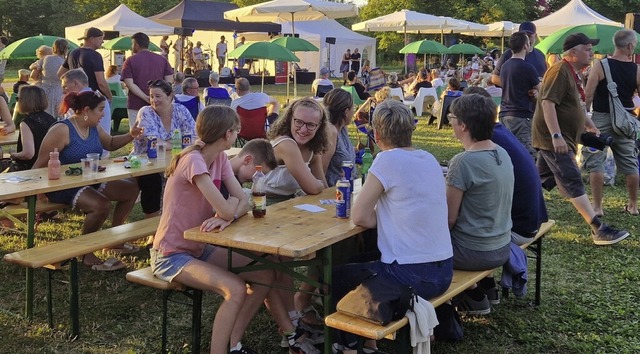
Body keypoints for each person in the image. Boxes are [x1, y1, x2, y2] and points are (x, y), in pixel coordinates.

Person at [332, 100, 453, 353]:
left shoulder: (386, 161)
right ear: (411, 130)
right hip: (444, 271)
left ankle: (350, 345)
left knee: (335, 276)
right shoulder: (429, 159)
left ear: (375, 134)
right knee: (362, 258)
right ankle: (367, 342)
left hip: (412, 276)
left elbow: (360, 217)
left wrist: (388, 218)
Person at [150, 105, 267, 354]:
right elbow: (229, 207)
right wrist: (228, 212)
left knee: (265, 273)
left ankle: (234, 343)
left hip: (199, 247)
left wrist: (228, 214)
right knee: (234, 289)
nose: (237, 135)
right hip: (170, 255)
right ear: (227, 134)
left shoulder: (220, 158)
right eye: (236, 130)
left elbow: (243, 200)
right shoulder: (193, 159)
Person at [532, 33, 630, 246]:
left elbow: (576, 105)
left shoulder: (573, 73)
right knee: (572, 179)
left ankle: (516, 210)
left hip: (564, 137)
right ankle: (598, 229)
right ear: (573, 53)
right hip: (555, 139)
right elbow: (548, 104)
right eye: (587, 49)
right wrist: (556, 135)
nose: (591, 52)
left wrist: (590, 126)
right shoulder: (559, 71)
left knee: (537, 179)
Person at [33, 90, 143, 270]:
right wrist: (37, 195)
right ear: (86, 110)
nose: (103, 114)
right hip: (62, 185)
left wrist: (131, 135)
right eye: (100, 110)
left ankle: (114, 239)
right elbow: (39, 165)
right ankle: (86, 252)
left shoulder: (93, 127)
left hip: (89, 179)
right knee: (101, 205)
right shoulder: (62, 129)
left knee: (130, 190)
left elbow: (111, 144)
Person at [446, 93, 513, 315]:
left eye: (451, 117)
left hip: (471, 252)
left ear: (463, 125)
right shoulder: (501, 153)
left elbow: (449, 219)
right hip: (502, 246)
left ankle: (471, 296)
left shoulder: (462, 162)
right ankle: (485, 288)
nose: (449, 121)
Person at [465, 86, 549, 246]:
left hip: (516, 228)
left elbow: (472, 192)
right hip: (531, 220)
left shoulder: (486, 141)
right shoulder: (500, 131)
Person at [583, 29, 640, 216]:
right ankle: (633, 205)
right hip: (625, 121)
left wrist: (587, 117)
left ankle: (598, 207)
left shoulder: (601, 65)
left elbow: (588, 93)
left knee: (596, 162)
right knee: (630, 163)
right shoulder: (637, 69)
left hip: (600, 119)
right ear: (630, 46)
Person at [264, 97, 328, 203]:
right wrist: (318, 184)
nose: (303, 129)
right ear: (290, 119)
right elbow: (312, 187)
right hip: (264, 204)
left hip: (289, 203)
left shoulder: (312, 148)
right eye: (299, 122)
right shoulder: (286, 144)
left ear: (319, 126)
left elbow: (323, 188)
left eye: (310, 125)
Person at [498, 31, 541, 158]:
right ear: (526, 46)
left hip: (505, 113)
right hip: (521, 115)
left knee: (509, 152)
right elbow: (542, 89)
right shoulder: (527, 67)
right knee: (527, 154)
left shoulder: (505, 66)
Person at [121, 32, 174, 131]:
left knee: (137, 135)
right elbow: (169, 82)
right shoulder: (162, 59)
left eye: (132, 44)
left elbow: (129, 83)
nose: (131, 47)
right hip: (159, 104)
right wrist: (159, 97)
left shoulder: (130, 61)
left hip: (136, 103)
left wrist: (146, 97)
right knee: (160, 133)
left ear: (136, 45)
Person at [60, 69, 112, 158]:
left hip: (85, 155)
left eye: (65, 86)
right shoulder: (99, 97)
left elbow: (68, 127)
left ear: (75, 83)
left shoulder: (77, 101)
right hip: (102, 151)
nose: (64, 91)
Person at [58, 27, 113, 102]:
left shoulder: (72, 53)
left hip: (75, 96)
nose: (102, 41)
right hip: (92, 97)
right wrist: (109, 96)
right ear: (92, 39)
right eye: (100, 38)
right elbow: (101, 82)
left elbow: (60, 74)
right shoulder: (95, 55)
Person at [8, 86, 56, 171]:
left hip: (31, 169)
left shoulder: (27, 122)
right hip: (49, 165)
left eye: (17, 98)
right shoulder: (51, 119)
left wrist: (14, 154)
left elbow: (28, 154)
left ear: (24, 101)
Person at [492, 21, 547, 86]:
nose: (527, 39)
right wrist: (516, 87)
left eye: (529, 36)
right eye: (524, 36)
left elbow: (545, 78)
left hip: (536, 95)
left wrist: (537, 89)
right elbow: (494, 78)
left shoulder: (540, 55)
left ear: (535, 36)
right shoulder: (508, 55)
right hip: (514, 96)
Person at [321, 88, 356, 187]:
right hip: (336, 192)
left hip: (348, 188)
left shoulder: (342, 128)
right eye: (353, 108)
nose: (354, 111)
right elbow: (320, 172)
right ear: (346, 112)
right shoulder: (330, 132)